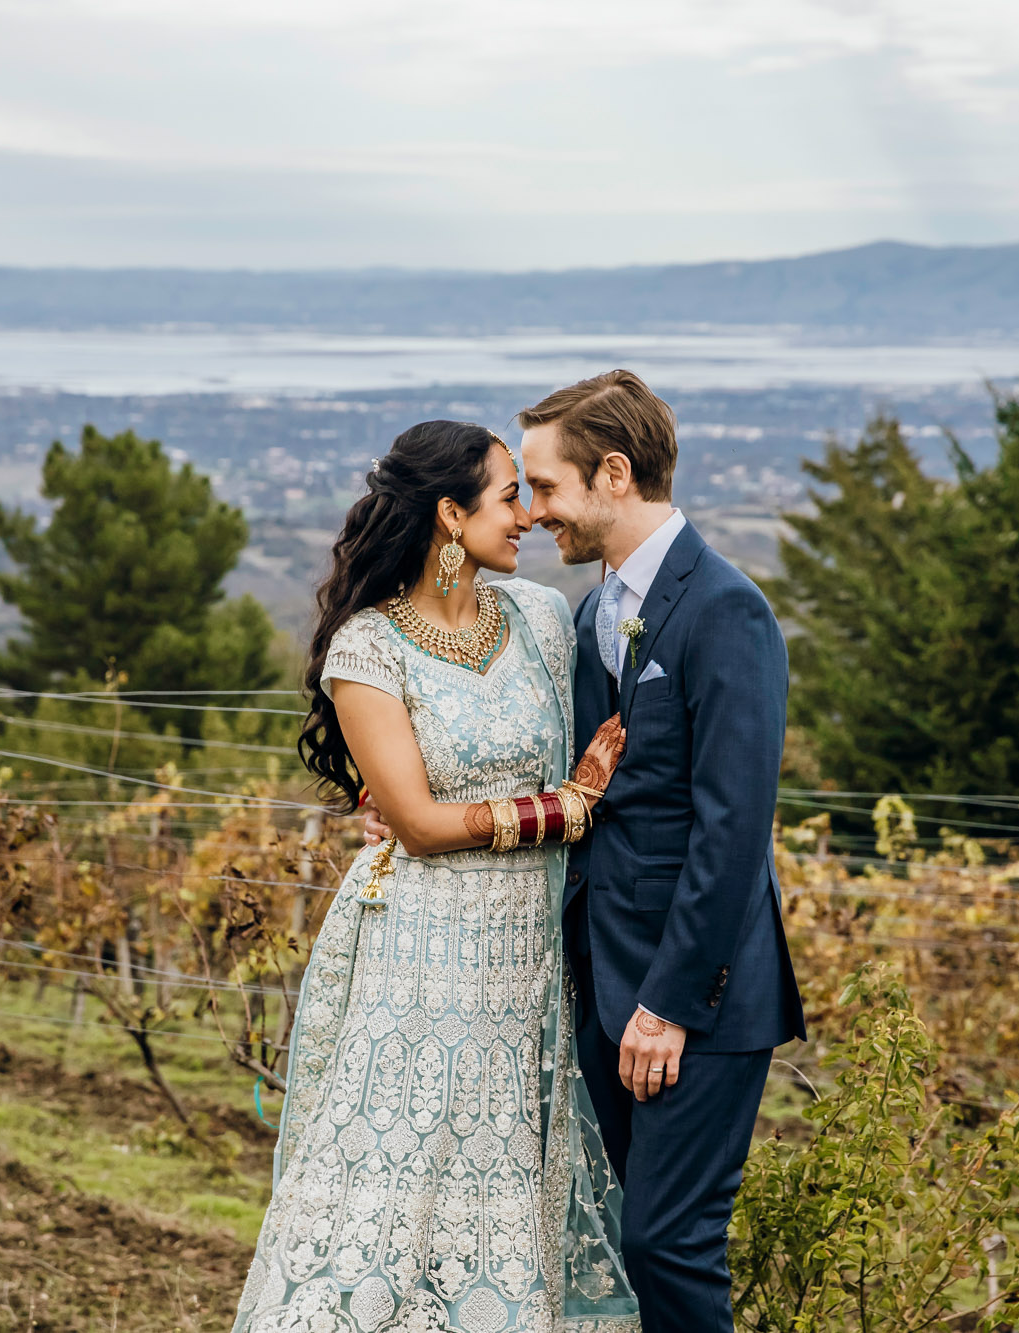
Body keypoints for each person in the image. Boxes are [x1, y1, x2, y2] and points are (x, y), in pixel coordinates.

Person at [232, 419, 643, 1332]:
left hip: (526, 959)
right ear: (450, 516)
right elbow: (415, 822)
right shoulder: (368, 651)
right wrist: (565, 808)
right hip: (418, 957)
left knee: (501, 1180)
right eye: (508, 496)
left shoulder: (541, 621)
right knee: (393, 1187)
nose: (529, 516)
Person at [521, 370, 805, 1333]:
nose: (534, 512)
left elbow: (732, 831)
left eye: (547, 487)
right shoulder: (591, 608)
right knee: (610, 1242)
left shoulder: (727, 610)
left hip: (697, 997)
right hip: (603, 979)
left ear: (612, 472)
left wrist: (669, 1005)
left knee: (666, 1244)